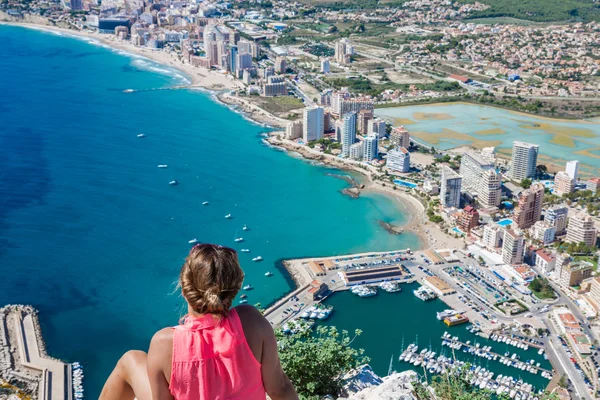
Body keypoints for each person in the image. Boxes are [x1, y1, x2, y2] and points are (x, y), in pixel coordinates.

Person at [100, 244, 298, 400]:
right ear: (235, 289)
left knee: (130, 359)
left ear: (184, 288)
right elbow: (279, 390)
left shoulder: (164, 343)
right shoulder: (252, 321)